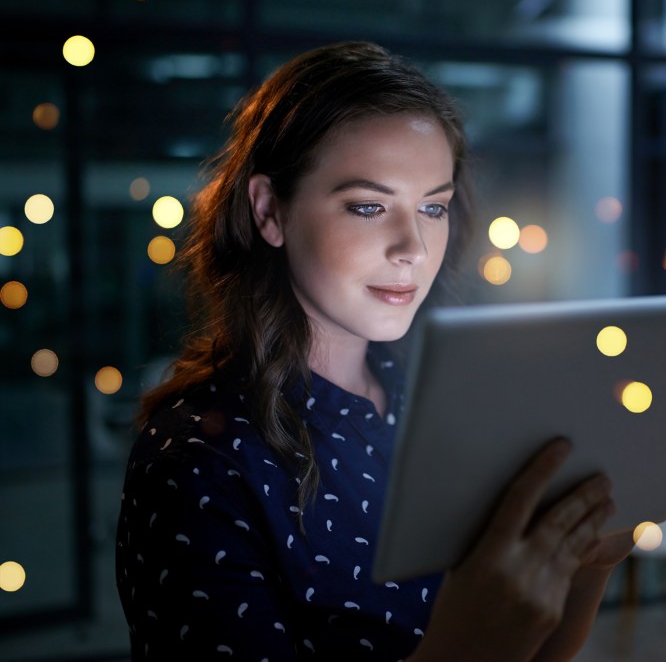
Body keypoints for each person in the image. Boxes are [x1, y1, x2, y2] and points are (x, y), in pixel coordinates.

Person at [115, 41, 634, 661]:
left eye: (432, 207)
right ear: (269, 210)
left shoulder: (438, 402)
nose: (412, 246)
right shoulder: (197, 463)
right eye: (367, 206)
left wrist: (587, 566)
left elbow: (529, 648)